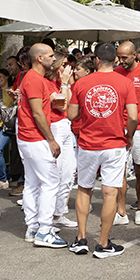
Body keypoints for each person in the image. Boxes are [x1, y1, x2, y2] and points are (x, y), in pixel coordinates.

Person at [67, 42, 137, 258]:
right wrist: (129, 136)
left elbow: (71, 115)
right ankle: (103, 243)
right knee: (110, 193)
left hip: (88, 143)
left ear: (96, 60)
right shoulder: (125, 83)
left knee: (84, 189)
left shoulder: (81, 83)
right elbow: (133, 116)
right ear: (115, 60)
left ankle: (80, 239)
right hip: (114, 144)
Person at [17, 44, 66, 248]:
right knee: (50, 183)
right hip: (35, 138)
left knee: (32, 183)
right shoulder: (35, 80)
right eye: (50, 56)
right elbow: (37, 113)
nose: (54, 59)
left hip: (27, 138)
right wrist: (51, 139)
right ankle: (44, 230)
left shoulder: (31, 78)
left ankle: (33, 227)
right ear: (39, 58)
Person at [115, 41, 140, 226]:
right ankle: (121, 211)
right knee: (120, 170)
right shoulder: (117, 72)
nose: (121, 61)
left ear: (134, 55)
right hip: (119, 126)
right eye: (119, 57)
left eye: (125, 57)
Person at [48, 50, 77, 229]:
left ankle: (58, 214)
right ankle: (47, 216)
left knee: (68, 173)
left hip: (66, 126)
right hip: (55, 128)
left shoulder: (60, 83)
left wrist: (66, 84)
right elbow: (62, 105)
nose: (68, 68)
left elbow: (71, 102)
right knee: (54, 174)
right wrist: (65, 84)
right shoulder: (49, 83)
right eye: (64, 65)